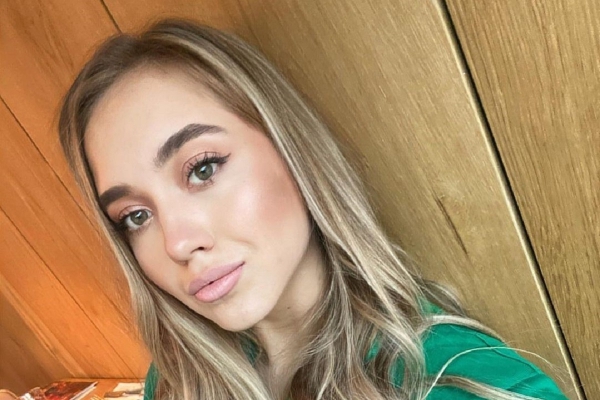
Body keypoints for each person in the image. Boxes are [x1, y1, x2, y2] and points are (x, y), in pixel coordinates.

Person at [58, 19, 568, 400]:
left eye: (202, 168)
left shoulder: (462, 381)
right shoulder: (178, 380)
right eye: (136, 216)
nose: (177, 243)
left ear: (291, 148)